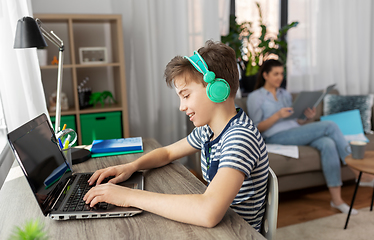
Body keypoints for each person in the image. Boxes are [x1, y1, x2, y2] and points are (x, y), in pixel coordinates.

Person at [83, 40, 269, 231]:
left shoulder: (240, 137)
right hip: (218, 227)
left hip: (235, 232)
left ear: (217, 91)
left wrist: (127, 196)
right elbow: (167, 153)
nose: (182, 107)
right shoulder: (209, 130)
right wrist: (131, 167)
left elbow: (208, 212)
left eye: (186, 95)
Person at [246, 59, 374, 215]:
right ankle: (357, 172)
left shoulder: (284, 94)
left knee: (327, 143)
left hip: (295, 131)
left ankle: (337, 200)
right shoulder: (255, 97)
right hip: (274, 136)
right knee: (330, 126)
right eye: (276, 74)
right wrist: (277, 115)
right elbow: (257, 127)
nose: (280, 77)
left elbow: (296, 120)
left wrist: (306, 117)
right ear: (265, 75)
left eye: (281, 73)